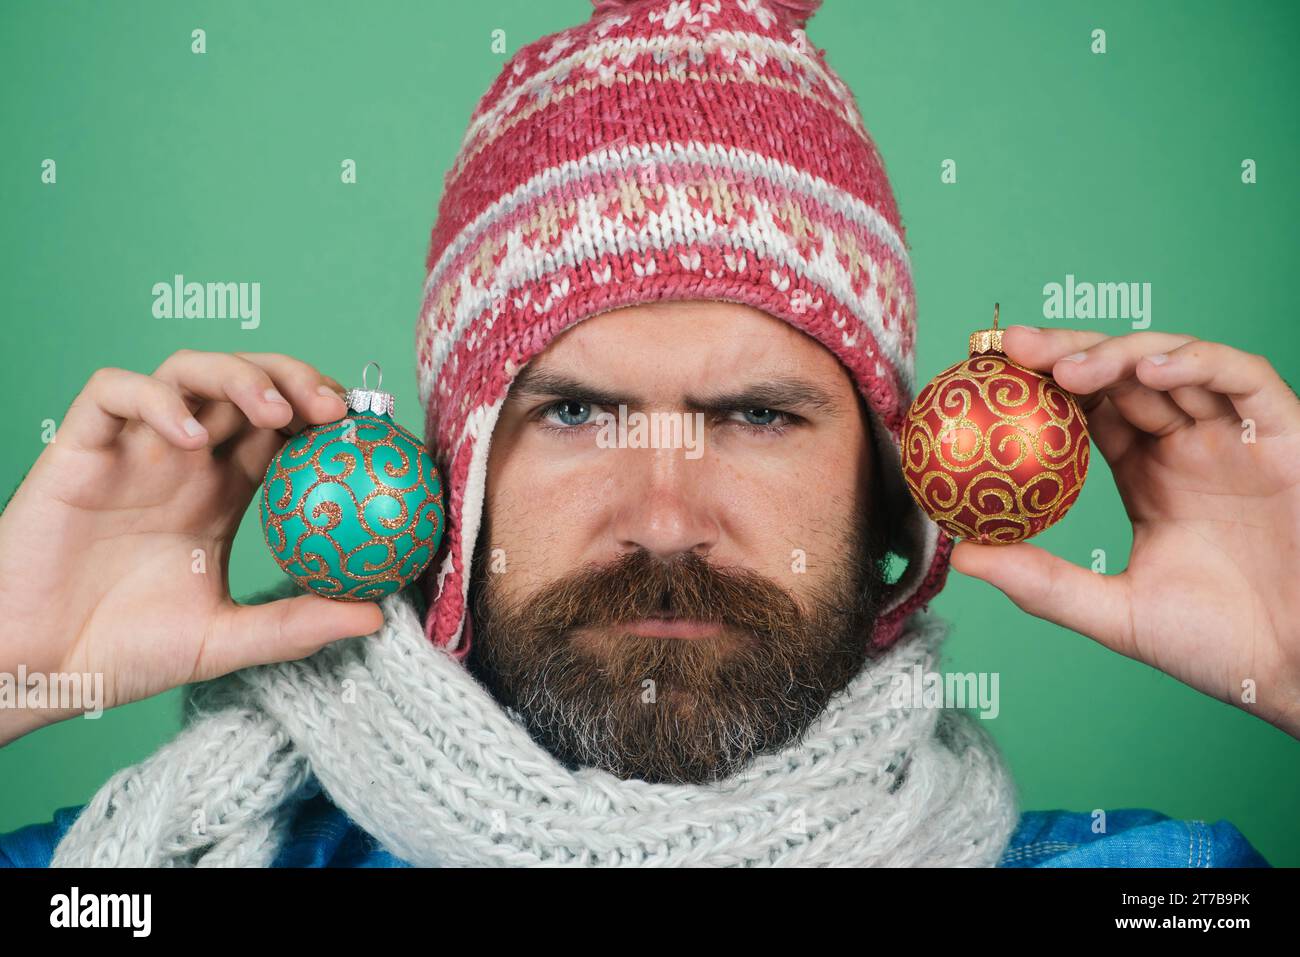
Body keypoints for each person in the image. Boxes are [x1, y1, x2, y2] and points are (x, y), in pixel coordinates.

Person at [0, 0, 1293, 867]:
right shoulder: (158, 861)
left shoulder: (1152, 885)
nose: (666, 517)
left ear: (896, 494)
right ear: (455, 480)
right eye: (573, 411)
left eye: (756, 416)